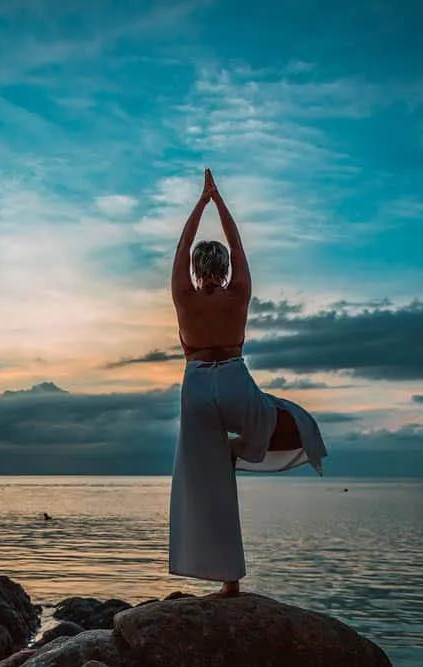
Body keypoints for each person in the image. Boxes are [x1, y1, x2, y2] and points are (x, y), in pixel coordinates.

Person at [168, 168, 328, 597]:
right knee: (278, 417)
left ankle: (225, 577)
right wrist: (218, 200)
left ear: (197, 269)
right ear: (223, 267)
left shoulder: (184, 297)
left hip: (198, 384)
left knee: (207, 481)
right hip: (235, 380)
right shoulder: (238, 293)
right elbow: (237, 245)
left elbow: (182, 246)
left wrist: (199, 203)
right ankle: (248, 449)